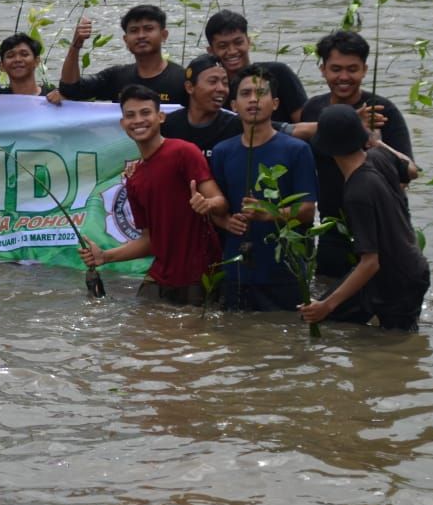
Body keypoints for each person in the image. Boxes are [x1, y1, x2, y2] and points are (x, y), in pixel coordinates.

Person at [78, 85, 224, 305]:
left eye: (145, 113)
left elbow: (221, 202)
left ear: (160, 117)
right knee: (141, 332)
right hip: (159, 275)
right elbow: (149, 241)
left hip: (199, 275)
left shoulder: (184, 152)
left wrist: (207, 204)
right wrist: (105, 257)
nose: (138, 120)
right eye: (130, 115)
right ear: (123, 124)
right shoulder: (135, 179)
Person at [299, 105, 429, 331]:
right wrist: (377, 143)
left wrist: (326, 305)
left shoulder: (357, 192)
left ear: (326, 148)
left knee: (394, 343)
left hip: (397, 279)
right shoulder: (379, 157)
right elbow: (412, 170)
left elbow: (370, 263)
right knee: (335, 323)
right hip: (409, 266)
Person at [299, 30, 415, 277]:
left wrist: (371, 142)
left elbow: (406, 175)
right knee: (328, 293)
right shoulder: (313, 109)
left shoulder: (383, 112)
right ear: (323, 70)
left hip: (379, 226)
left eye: (352, 69)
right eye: (336, 69)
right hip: (332, 224)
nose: (343, 77)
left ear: (364, 69)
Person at [210, 65, 318, 312]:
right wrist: (226, 222)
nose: (253, 100)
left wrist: (271, 213)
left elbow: (307, 210)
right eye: (245, 94)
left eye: (260, 93)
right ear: (234, 105)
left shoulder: (297, 150)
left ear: (276, 103)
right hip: (237, 268)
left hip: (285, 270)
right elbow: (217, 206)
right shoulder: (222, 152)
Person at [163, 53, 312, 161]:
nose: (221, 89)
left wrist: (331, 122)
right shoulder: (168, 125)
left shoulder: (237, 123)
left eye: (225, 82)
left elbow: (292, 130)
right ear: (190, 87)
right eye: (213, 81)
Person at [59, 5, 188, 105]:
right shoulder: (116, 77)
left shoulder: (182, 80)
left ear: (164, 35)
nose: (141, 35)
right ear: (126, 40)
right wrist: (76, 45)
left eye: (148, 29)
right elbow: (71, 89)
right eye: (134, 30)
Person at [204, 9, 307, 123]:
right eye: (223, 46)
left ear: (248, 42)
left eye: (238, 42)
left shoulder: (279, 74)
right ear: (211, 51)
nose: (232, 51)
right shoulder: (214, 90)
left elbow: (305, 125)